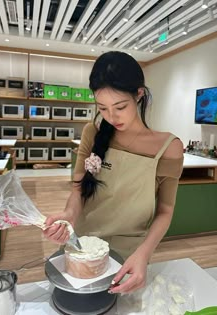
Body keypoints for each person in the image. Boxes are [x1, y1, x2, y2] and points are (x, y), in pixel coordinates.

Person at [43, 51, 184, 294]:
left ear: (139, 94)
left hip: (129, 255)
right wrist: (69, 215)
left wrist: (144, 253)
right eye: (103, 108)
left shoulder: (168, 147)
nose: (111, 116)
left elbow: (165, 211)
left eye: (120, 106)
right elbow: (78, 189)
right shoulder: (93, 133)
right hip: (82, 247)